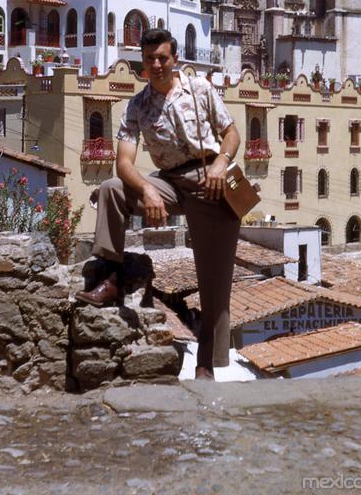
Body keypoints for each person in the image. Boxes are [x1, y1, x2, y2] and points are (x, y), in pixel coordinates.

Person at [77, 28, 241, 380]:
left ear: (174, 59)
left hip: (208, 181)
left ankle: (206, 364)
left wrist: (221, 162)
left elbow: (232, 133)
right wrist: (148, 190)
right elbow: (123, 163)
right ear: (142, 63)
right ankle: (111, 275)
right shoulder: (137, 106)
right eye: (149, 59)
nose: (156, 64)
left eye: (162, 58)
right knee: (111, 188)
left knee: (214, 281)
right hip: (166, 181)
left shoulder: (200, 89)